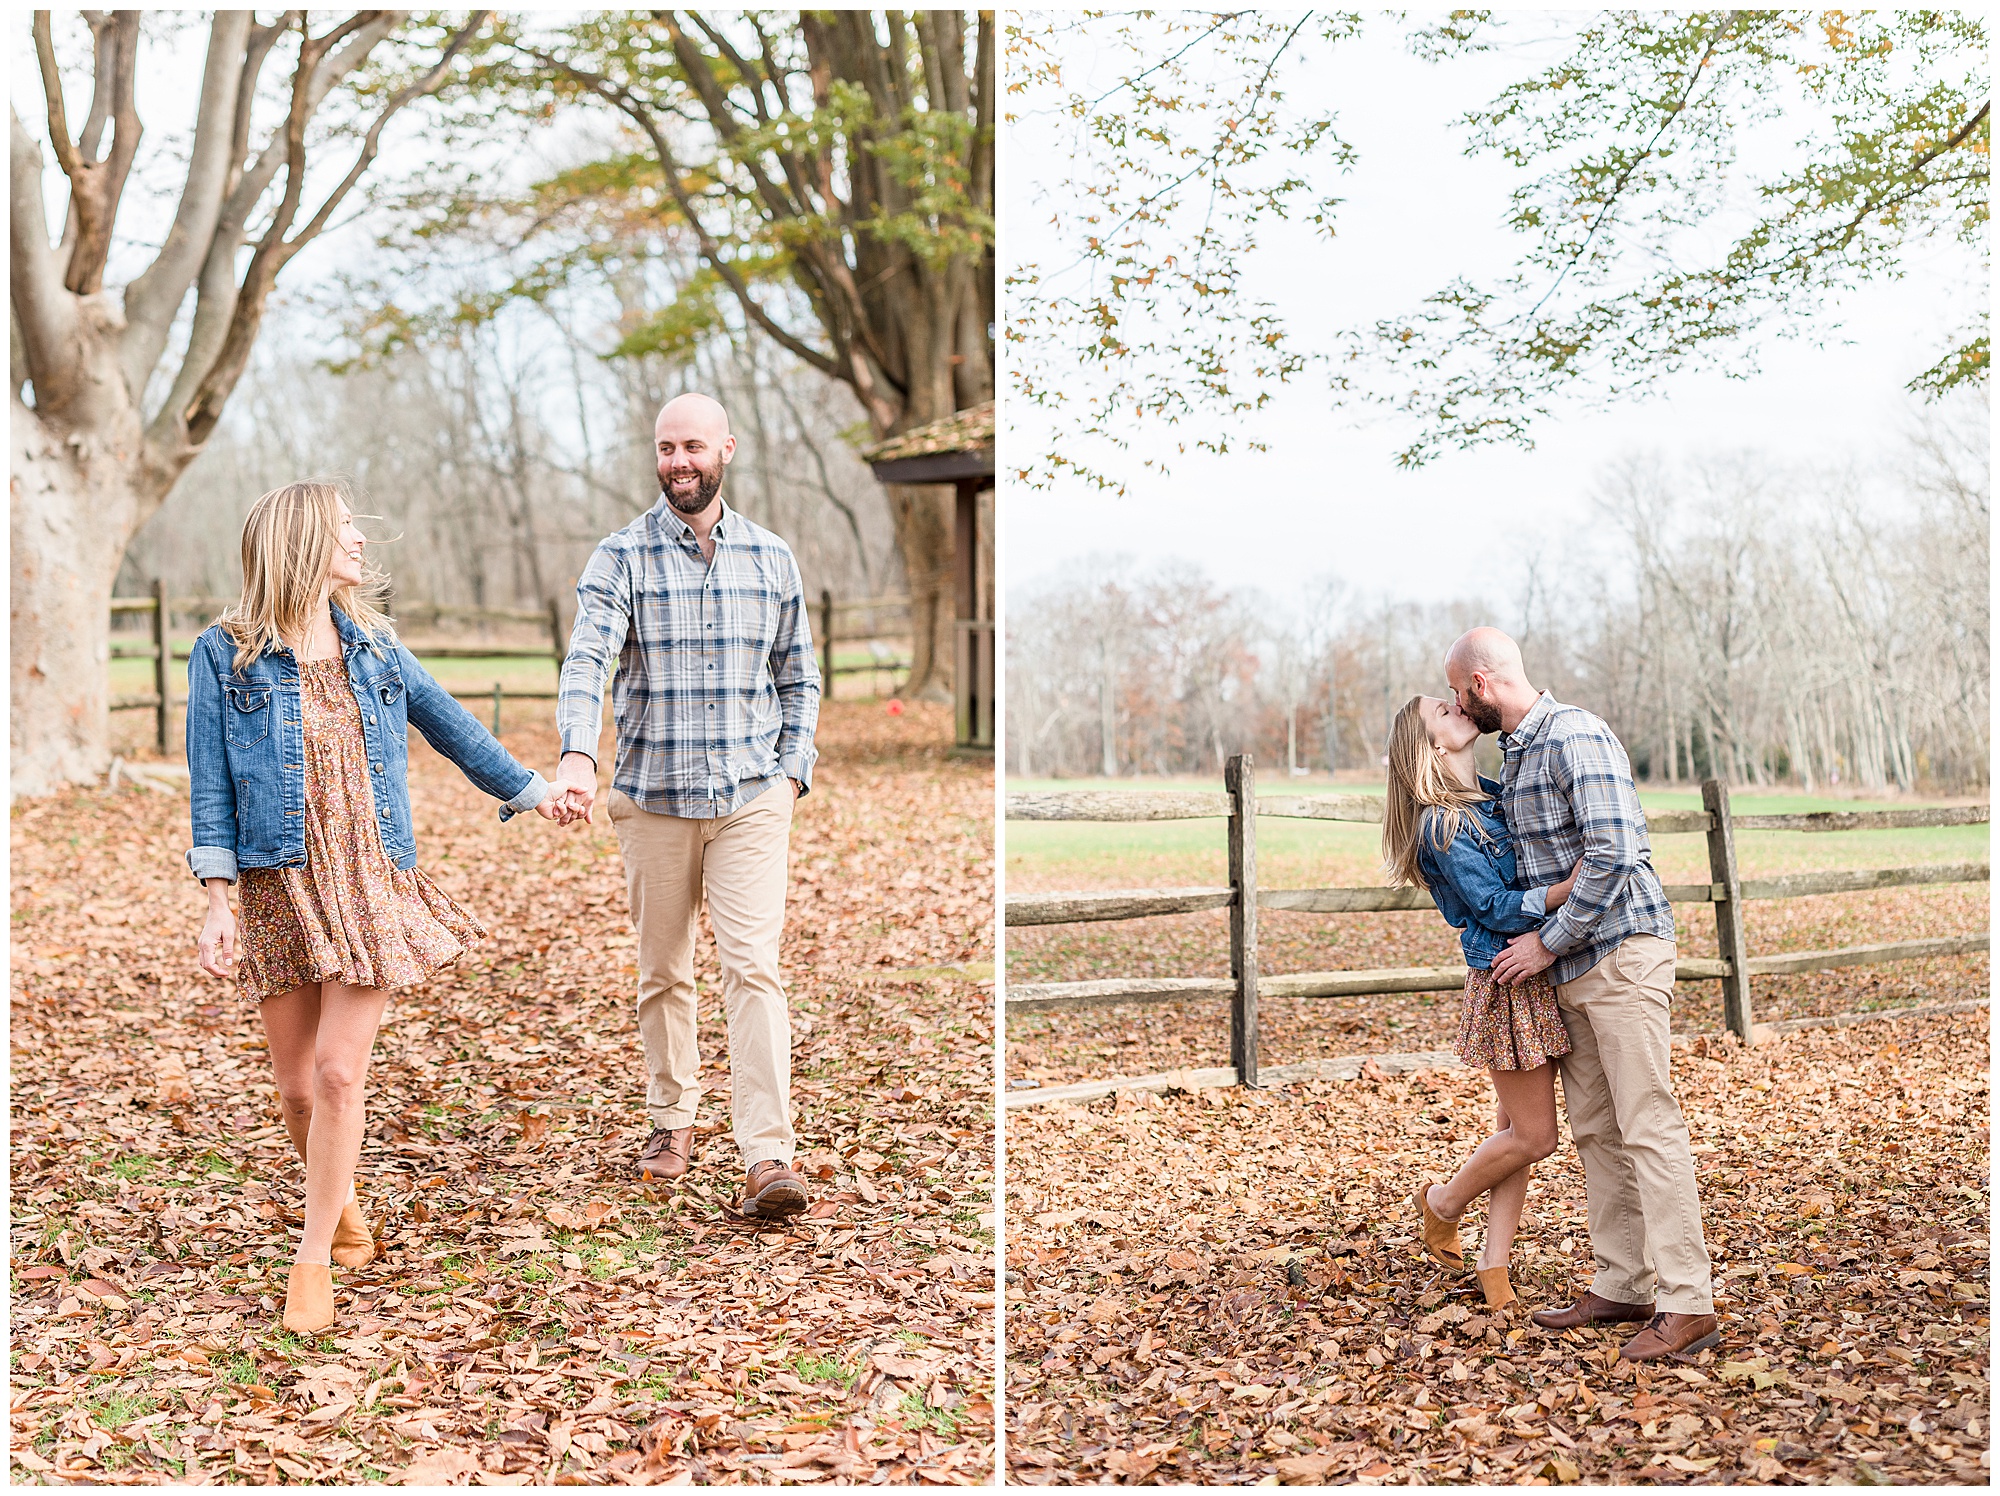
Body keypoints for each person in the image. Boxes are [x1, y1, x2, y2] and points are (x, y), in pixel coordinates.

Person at [187, 480, 583, 1335]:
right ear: (299, 544)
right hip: (277, 882)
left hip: (370, 879)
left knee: (338, 1073)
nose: (362, 542)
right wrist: (217, 899)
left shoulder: (374, 646)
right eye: (344, 531)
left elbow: (453, 729)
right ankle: (346, 1208)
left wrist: (533, 790)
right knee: (295, 1089)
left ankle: (313, 1256)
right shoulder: (224, 655)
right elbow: (210, 787)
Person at [552, 392, 821, 1219]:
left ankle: (767, 1153)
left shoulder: (772, 559)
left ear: (726, 450)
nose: (679, 462)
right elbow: (587, 658)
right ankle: (672, 1121)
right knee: (664, 971)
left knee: (753, 968)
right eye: (666, 448)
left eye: (693, 447)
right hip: (653, 800)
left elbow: (798, 676)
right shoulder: (621, 556)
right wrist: (575, 754)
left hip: (749, 799)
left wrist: (790, 773)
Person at [1445, 626, 1719, 1364]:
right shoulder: (1518, 751)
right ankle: (1623, 1281)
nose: (1453, 703)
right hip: (1568, 970)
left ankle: (1687, 1300)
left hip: (1621, 953)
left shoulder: (1574, 735)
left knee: (1648, 1122)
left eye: (1454, 690)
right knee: (1598, 1129)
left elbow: (1617, 852)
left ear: (1480, 683)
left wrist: (1548, 942)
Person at [1384, 694, 1581, 1310]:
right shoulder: (1442, 824)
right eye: (1442, 712)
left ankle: (1494, 1268)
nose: (1458, 709)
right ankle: (1441, 1203)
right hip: (1505, 980)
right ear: (1431, 745)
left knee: (1511, 1131)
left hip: (1537, 965)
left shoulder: (1494, 795)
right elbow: (1494, 907)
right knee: (1535, 1136)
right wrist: (1567, 890)